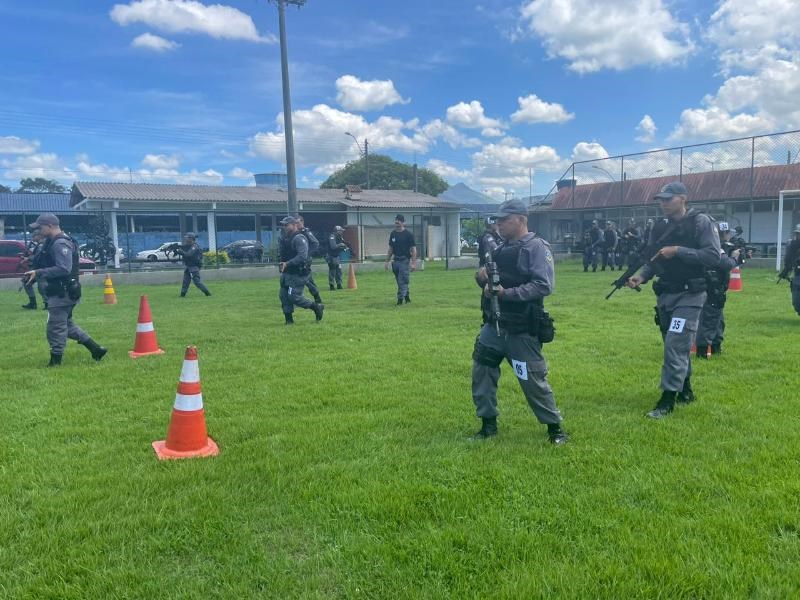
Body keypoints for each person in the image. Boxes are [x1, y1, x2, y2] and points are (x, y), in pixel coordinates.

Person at [470, 199, 568, 445]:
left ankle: (555, 429)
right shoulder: (500, 248)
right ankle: (488, 425)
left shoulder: (536, 247)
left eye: (505, 220)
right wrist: (481, 278)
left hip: (521, 328)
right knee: (482, 371)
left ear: (521, 219)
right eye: (498, 220)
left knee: (532, 379)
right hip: (494, 325)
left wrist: (506, 294)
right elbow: (489, 277)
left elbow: (543, 285)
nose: (499, 224)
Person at [626, 182, 721, 418]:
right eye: (661, 199)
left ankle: (667, 399)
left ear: (683, 198)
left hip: (690, 295)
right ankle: (685, 390)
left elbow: (712, 256)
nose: (663, 203)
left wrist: (678, 250)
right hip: (666, 295)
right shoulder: (659, 226)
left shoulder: (701, 222)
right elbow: (654, 259)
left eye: (668, 199)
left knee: (675, 343)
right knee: (676, 343)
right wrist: (641, 276)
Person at [23, 213, 107, 366]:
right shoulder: (53, 241)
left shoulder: (60, 243)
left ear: (50, 226)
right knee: (66, 325)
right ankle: (96, 349)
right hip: (62, 290)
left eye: (40, 227)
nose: (38, 231)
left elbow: (64, 268)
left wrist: (39, 273)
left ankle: (55, 362)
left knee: (55, 327)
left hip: (63, 292)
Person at [696, 222, 740, 358]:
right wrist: (735, 258)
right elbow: (725, 264)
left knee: (717, 320)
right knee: (709, 320)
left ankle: (716, 349)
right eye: (728, 233)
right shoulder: (715, 247)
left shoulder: (711, 246)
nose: (729, 236)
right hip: (712, 288)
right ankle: (702, 352)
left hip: (714, 288)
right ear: (723, 234)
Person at [279, 216, 324, 325]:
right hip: (287, 272)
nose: (284, 227)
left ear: (294, 225)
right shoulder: (285, 238)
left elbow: (302, 256)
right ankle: (289, 321)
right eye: (283, 225)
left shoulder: (299, 238)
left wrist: (287, 263)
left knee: (293, 296)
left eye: (286, 225)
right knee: (283, 295)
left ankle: (315, 306)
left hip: (298, 273)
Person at [385, 214, 417, 305]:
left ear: (402, 222)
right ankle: (407, 297)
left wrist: (413, 263)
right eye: (396, 220)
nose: (397, 222)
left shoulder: (408, 234)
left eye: (399, 220)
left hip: (404, 260)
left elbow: (414, 249)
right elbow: (390, 249)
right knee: (400, 282)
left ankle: (400, 300)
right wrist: (387, 261)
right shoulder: (393, 234)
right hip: (395, 261)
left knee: (402, 280)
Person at [296, 216, 324, 304]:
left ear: (302, 222)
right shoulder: (294, 233)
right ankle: (295, 298)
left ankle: (317, 298)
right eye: (295, 223)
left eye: (298, 223)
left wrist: (307, 254)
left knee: (307, 280)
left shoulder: (306, 232)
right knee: (294, 279)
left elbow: (315, 243)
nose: (296, 224)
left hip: (305, 260)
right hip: (296, 259)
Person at [175, 233, 211, 297]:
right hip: (188, 266)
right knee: (185, 281)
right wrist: (176, 251)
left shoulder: (194, 246)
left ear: (191, 239)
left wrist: (181, 252)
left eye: (187, 238)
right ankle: (182, 295)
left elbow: (189, 254)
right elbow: (185, 253)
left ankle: (207, 293)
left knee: (197, 281)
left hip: (194, 267)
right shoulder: (188, 246)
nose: (186, 239)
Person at [20, 231, 47, 310]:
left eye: (34, 236)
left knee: (42, 287)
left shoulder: (43, 245)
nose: (33, 238)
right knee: (26, 282)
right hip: (35, 268)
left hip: (41, 268)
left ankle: (47, 304)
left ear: (39, 236)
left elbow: (38, 256)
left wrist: (28, 258)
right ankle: (32, 303)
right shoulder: (38, 245)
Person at [778, 224, 800, 315]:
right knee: (797, 301)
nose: (798, 236)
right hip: (797, 274)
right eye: (797, 234)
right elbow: (788, 260)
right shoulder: (792, 245)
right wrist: (786, 270)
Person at [325, 225, 348, 290]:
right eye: (340, 231)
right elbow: (333, 247)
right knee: (332, 271)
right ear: (337, 231)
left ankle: (339, 284)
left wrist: (344, 247)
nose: (342, 232)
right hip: (331, 256)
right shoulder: (332, 236)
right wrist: (340, 245)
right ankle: (332, 285)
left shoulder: (339, 237)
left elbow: (343, 244)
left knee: (339, 271)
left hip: (337, 256)